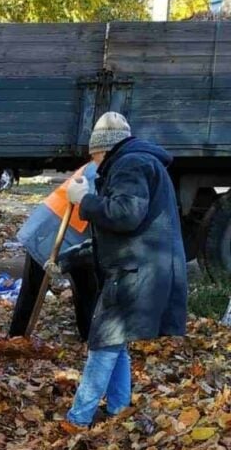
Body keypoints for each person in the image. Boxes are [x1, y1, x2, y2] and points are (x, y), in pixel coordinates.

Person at [61, 112, 187, 429]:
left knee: (103, 341)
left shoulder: (130, 165)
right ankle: (119, 409)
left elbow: (125, 214)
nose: (94, 163)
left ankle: (78, 419)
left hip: (135, 271)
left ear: (105, 149)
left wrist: (86, 201)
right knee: (115, 342)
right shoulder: (138, 161)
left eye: (94, 156)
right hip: (140, 267)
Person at [9, 162, 99, 341]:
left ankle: (90, 338)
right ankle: (17, 337)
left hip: (72, 235)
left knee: (87, 287)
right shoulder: (99, 170)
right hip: (50, 232)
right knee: (34, 288)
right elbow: (100, 209)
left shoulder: (100, 165)